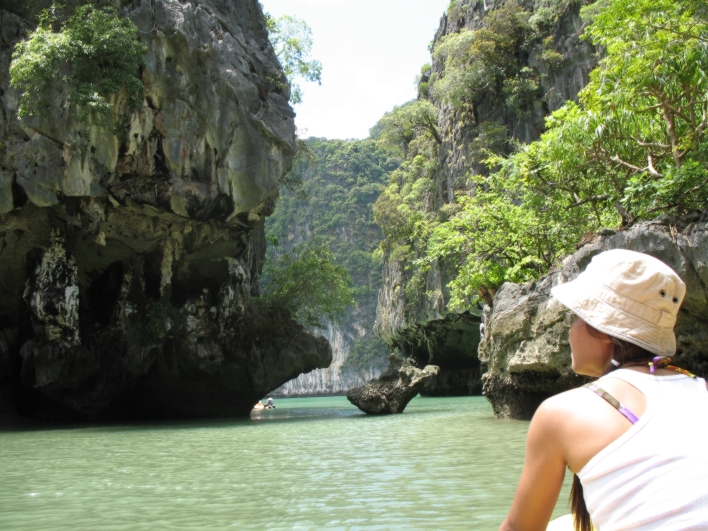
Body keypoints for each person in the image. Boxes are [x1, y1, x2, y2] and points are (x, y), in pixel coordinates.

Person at [499, 249, 708, 531]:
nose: (570, 329)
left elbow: (519, 528)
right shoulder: (700, 388)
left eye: (575, 317)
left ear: (604, 330)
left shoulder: (560, 413)